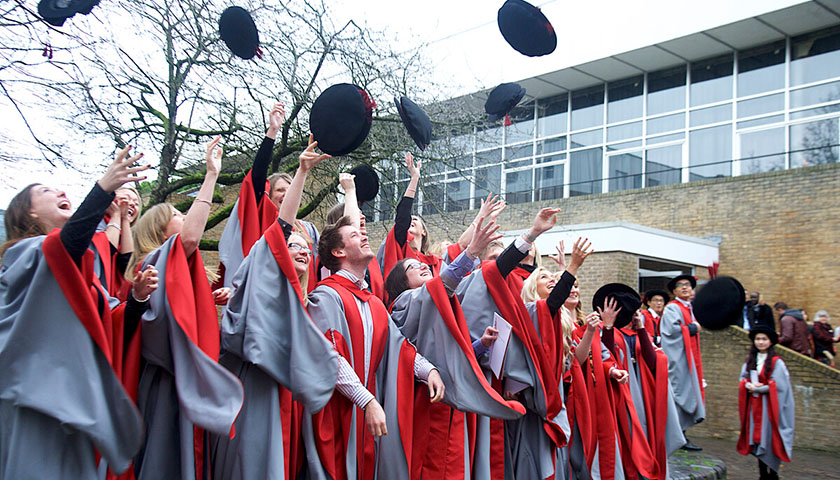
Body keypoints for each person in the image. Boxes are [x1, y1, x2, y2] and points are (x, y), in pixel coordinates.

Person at [0, 146, 155, 478]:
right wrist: (103, 189)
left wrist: (137, 301)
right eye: (46, 191)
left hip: (74, 405)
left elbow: (111, 326)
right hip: (36, 404)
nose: (61, 192)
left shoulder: (84, 275)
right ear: (28, 214)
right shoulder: (23, 256)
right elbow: (64, 249)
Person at [129, 136, 245, 480]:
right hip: (166, 380)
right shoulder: (154, 261)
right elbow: (191, 240)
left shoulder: (168, 264)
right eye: (178, 212)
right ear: (158, 228)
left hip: (178, 378)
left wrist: (206, 302)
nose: (185, 216)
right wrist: (211, 175)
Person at [302, 214, 446, 479]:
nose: (365, 236)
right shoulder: (326, 295)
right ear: (338, 251)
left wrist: (429, 371)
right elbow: (328, 355)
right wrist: (366, 400)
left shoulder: (374, 304)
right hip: (337, 412)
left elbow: (399, 347)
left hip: (367, 412)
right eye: (355, 235)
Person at [387, 216, 528, 478]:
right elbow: (443, 285)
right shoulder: (403, 304)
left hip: (448, 402)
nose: (422, 266)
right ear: (400, 282)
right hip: (423, 400)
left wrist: (480, 345)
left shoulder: (436, 303)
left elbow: (451, 356)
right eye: (412, 266)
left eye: (422, 264)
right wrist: (472, 251)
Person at [601, 294, 687, 480]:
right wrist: (608, 326)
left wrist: (640, 329)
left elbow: (654, 362)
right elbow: (607, 357)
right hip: (620, 392)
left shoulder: (641, 334)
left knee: (646, 433)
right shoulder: (605, 331)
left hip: (644, 393)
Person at [737, 326, 794, 480]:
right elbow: (743, 378)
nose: (760, 342)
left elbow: (780, 386)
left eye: (764, 339)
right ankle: (762, 473)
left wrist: (762, 388)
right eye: (758, 339)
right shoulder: (751, 360)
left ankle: (773, 473)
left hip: (770, 408)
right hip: (754, 408)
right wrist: (747, 385)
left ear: (770, 342)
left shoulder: (777, 362)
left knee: (769, 438)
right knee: (757, 439)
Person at [379, 152, 442, 278]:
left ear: (424, 231)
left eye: (415, 219)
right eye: (409, 219)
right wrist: (414, 178)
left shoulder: (435, 263)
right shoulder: (401, 247)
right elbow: (402, 215)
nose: (410, 221)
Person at [660, 274, 705, 451]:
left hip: (689, 359)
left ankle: (682, 434)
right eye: (680, 285)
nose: (685, 288)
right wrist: (692, 328)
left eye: (688, 285)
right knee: (679, 393)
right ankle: (678, 437)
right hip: (679, 360)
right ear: (674, 291)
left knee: (688, 391)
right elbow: (671, 331)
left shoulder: (689, 308)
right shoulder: (673, 308)